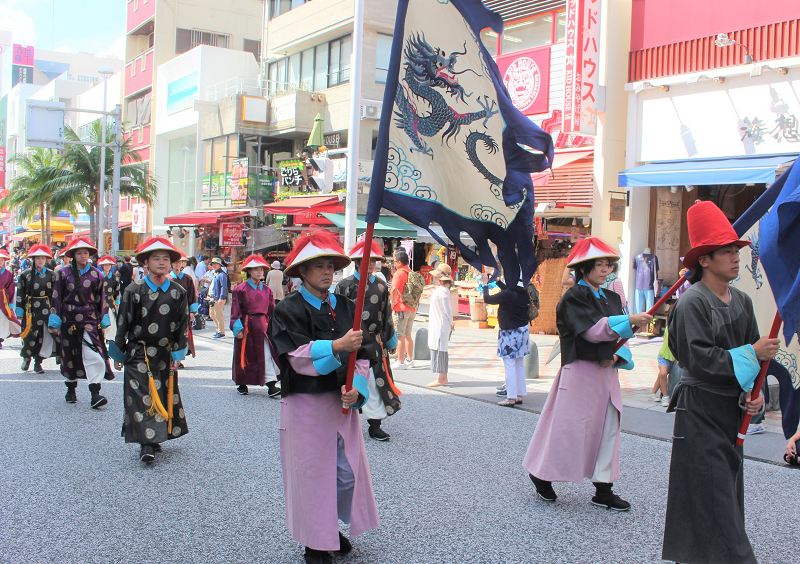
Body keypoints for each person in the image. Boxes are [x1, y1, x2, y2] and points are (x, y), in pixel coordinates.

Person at [662, 201, 778, 564]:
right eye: (725, 252)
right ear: (705, 261)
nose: (735, 258)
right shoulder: (691, 303)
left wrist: (752, 396)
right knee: (713, 496)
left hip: (731, 411)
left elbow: (756, 363)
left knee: (722, 492)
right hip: (699, 409)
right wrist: (752, 353)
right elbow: (700, 360)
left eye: (735, 251)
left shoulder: (742, 301)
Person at [267, 230, 378, 564]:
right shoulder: (287, 309)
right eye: (318, 266)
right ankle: (316, 543)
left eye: (330, 265)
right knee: (312, 475)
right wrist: (335, 347)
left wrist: (357, 386)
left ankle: (330, 527)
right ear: (302, 271)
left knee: (346, 472)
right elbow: (294, 356)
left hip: (342, 406)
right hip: (305, 405)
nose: (327, 272)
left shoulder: (347, 306)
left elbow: (363, 353)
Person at [524, 237, 650, 511]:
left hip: (607, 374)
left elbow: (622, 336)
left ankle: (603, 490)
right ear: (584, 267)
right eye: (599, 264)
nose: (605, 270)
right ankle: (541, 474)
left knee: (607, 429)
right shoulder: (574, 297)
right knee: (567, 428)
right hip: (579, 372)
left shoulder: (613, 297)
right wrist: (628, 321)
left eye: (608, 264)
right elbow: (593, 331)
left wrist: (619, 354)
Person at [108, 237, 190, 464]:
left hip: (165, 354)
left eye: (166, 258)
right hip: (138, 352)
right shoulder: (133, 290)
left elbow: (183, 324)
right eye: (156, 258)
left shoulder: (178, 291)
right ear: (146, 262)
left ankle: (155, 437)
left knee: (162, 394)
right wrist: (119, 352)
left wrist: (178, 354)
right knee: (141, 395)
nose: (162, 262)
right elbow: (123, 322)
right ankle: (147, 443)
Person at [335, 240, 401, 441]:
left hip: (373, 341)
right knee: (347, 382)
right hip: (349, 342)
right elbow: (336, 316)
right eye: (366, 260)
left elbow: (386, 314)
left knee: (373, 382)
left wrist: (390, 341)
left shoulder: (381, 285)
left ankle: (374, 425)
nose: (371, 263)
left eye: (374, 260)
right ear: (356, 261)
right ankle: (341, 425)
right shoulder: (344, 285)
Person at [50, 237, 114, 408]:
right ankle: (71, 389)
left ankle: (95, 393)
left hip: (89, 318)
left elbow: (102, 299)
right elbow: (56, 297)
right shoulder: (63, 273)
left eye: (86, 252)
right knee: (69, 353)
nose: (83, 255)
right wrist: (55, 322)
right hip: (67, 318)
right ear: (73, 255)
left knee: (93, 352)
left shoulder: (96, 274)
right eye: (79, 253)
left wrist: (103, 319)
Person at [230, 254, 280, 397]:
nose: (259, 272)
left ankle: (271, 384)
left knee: (266, 353)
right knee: (244, 355)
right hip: (246, 325)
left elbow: (271, 311)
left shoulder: (267, 290)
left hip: (262, 325)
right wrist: (237, 327)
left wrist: (273, 327)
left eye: (261, 269)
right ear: (249, 271)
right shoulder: (240, 289)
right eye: (256, 269)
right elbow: (235, 310)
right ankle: (242, 383)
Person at [482, 272, 531, 407]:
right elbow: (508, 291)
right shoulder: (524, 293)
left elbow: (488, 299)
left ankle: (510, 397)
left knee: (509, 364)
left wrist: (485, 284)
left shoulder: (508, 294)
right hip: (523, 331)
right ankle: (519, 394)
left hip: (509, 332)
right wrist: (497, 281)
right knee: (519, 363)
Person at [15, 244, 57, 373]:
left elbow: (55, 295)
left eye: (43, 258)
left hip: (45, 307)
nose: (40, 261)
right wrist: (19, 310)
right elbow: (20, 293)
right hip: (29, 308)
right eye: (37, 258)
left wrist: (55, 311)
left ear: (46, 260)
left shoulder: (51, 275)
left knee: (42, 336)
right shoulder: (25, 274)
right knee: (28, 335)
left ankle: (38, 362)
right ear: (33, 259)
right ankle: (26, 357)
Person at [425, 264, 454, 388]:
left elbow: (448, 310)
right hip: (439, 323)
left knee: (440, 350)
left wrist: (451, 322)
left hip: (441, 324)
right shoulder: (442, 290)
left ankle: (442, 378)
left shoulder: (442, 291)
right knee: (439, 349)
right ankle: (442, 377)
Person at [390, 249, 418, 370]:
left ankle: (400, 362)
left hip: (400, 308)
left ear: (400, 262)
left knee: (400, 336)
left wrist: (392, 302)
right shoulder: (410, 272)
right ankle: (409, 360)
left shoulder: (399, 273)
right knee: (408, 335)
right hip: (411, 308)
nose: (394, 264)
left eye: (395, 261)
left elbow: (394, 288)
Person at [169, 252, 198, 365]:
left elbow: (191, 295)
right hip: (169, 312)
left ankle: (179, 359)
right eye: (175, 262)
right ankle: (171, 357)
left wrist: (192, 311)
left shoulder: (187, 279)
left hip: (183, 312)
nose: (177, 264)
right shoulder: (167, 278)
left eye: (180, 262)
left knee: (182, 335)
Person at [649, 323, 675, 408]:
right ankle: (665, 396)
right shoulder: (670, 327)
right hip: (664, 356)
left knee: (661, 375)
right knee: (663, 374)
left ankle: (653, 393)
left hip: (674, 358)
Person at [0, 248, 22, 348]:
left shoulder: (8, 274)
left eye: (1, 260)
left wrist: (11, 303)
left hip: (3, 298)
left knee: (4, 319)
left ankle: (1, 338)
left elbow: (11, 289)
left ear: (4, 261)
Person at [97, 256, 121, 343]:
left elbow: (117, 289)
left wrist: (117, 301)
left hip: (111, 300)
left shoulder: (114, 277)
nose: (107, 267)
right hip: (100, 301)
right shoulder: (99, 276)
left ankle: (110, 338)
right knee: (101, 317)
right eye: (105, 265)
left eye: (109, 265)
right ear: (102, 266)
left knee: (111, 318)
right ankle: (102, 336)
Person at [209, 257, 229, 339]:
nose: (214, 265)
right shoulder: (214, 273)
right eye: (213, 264)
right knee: (212, 315)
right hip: (212, 297)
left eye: (216, 264)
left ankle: (221, 332)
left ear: (220, 265)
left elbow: (224, 286)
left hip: (218, 298)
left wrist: (222, 297)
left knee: (218, 315)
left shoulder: (222, 274)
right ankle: (218, 330)